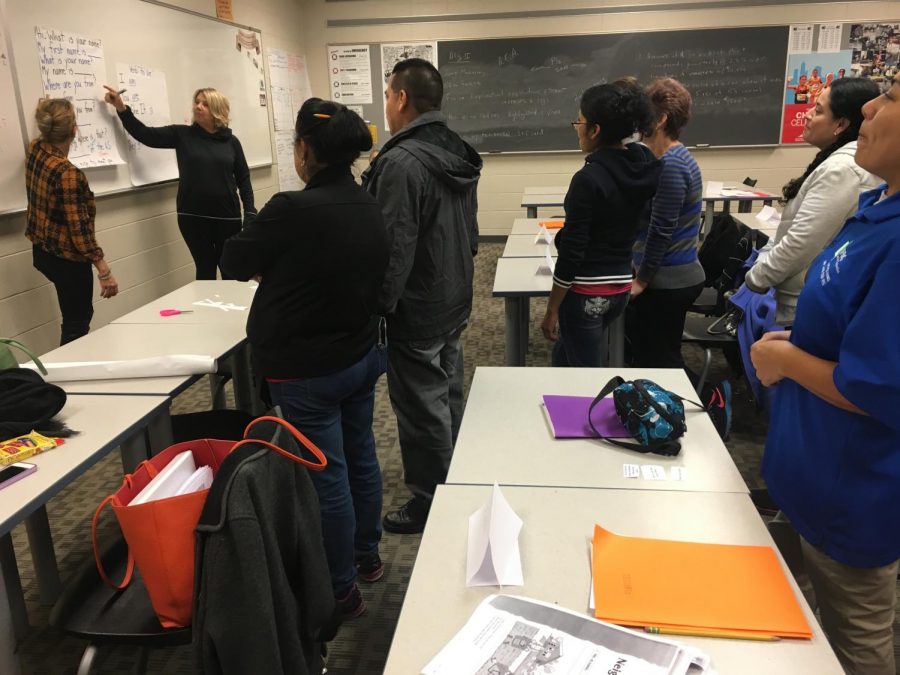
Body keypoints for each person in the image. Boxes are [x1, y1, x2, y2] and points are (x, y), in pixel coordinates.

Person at [750, 72, 900, 675]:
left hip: (852, 492)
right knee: (805, 616)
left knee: (857, 641)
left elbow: (878, 388)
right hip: (810, 468)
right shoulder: (875, 208)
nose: (870, 107)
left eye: (891, 98)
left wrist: (785, 359)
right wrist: (801, 342)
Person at [221, 99, 388, 619]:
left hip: (307, 370)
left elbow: (232, 262)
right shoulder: (369, 202)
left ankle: (339, 590)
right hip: (358, 353)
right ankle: (367, 557)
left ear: (305, 150)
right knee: (360, 456)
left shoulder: (291, 210)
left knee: (327, 475)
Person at [361, 58, 482, 535]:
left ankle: (432, 497)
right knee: (447, 384)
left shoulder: (400, 162)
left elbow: (394, 248)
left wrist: (378, 310)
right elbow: (469, 230)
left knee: (420, 403)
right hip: (453, 289)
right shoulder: (457, 148)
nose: (387, 105)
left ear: (402, 98)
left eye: (388, 95)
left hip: (417, 303)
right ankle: (456, 472)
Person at [541, 80, 660, 367]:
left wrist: (552, 308)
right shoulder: (643, 164)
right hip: (620, 287)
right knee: (568, 354)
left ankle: (584, 410)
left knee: (586, 374)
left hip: (586, 293)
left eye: (579, 121)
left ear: (595, 130)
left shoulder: (588, 179)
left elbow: (573, 252)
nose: (576, 127)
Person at [744, 77, 881, 326]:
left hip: (806, 305)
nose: (807, 115)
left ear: (840, 124)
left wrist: (756, 278)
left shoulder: (841, 170)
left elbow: (801, 242)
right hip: (803, 299)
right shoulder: (835, 162)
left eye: (817, 110)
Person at [104, 86, 256, 280]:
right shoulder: (182, 134)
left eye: (205, 104)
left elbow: (243, 179)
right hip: (192, 216)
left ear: (217, 109)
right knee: (205, 270)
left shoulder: (231, 142)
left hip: (227, 217)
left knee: (230, 271)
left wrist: (250, 211)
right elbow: (145, 134)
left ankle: (233, 311)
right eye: (197, 102)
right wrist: (121, 109)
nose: (198, 106)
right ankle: (206, 310)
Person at [25, 98, 118, 345]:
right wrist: (104, 270)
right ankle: (65, 380)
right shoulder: (68, 174)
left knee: (72, 316)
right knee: (77, 321)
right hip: (66, 258)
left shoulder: (36, 149)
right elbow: (80, 231)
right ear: (74, 129)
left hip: (42, 251)